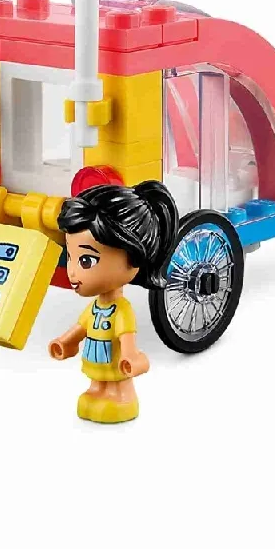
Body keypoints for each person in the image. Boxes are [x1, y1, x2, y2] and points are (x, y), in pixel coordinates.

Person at [48, 181, 177, 423]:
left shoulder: (122, 310)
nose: (72, 272)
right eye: (70, 257)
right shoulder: (95, 307)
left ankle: (122, 398)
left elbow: (126, 339)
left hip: (116, 364)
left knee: (116, 385)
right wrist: (65, 342)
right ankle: (97, 391)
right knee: (95, 387)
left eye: (86, 261)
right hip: (96, 360)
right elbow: (81, 327)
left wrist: (130, 357)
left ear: (132, 257)